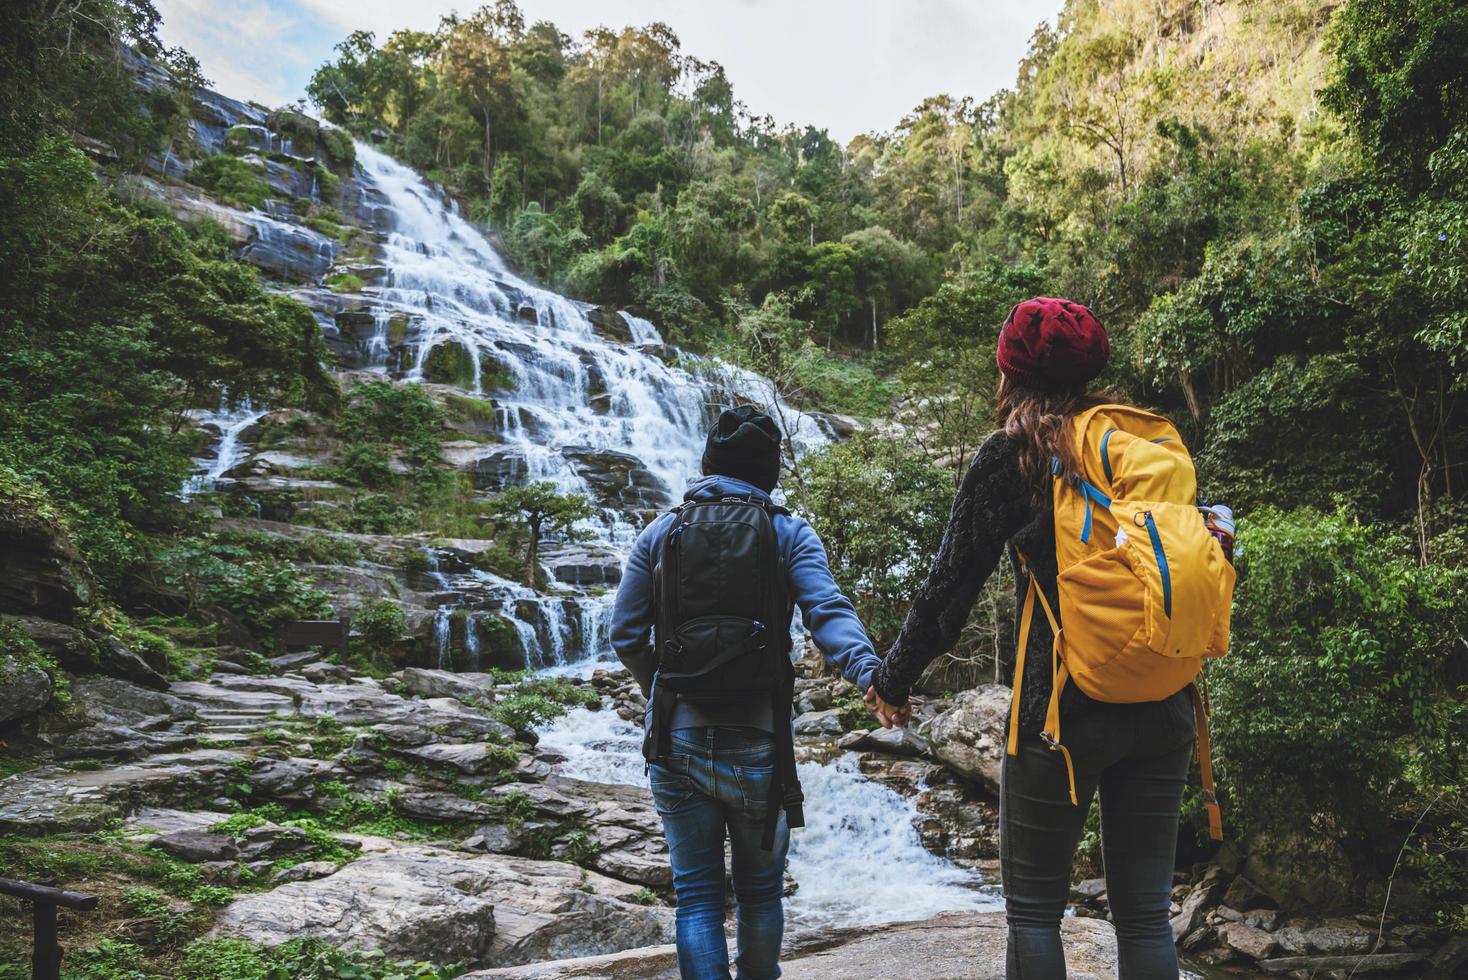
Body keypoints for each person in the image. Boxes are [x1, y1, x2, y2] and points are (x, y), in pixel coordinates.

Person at [867, 298, 1197, 979]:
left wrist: (892, 681)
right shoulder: (1144, 442)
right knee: (1143, 917)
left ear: (1009, 371)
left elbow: (946, 591)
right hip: (1165, 696)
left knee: (1036, 916)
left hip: (1061, 709)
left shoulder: (1016, 453)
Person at [611, 404, 887, 980]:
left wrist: (661, 692)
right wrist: (872, 676)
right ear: (770, 471)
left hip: (675, 738)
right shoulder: (787, 531)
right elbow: (827, 612)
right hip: (759, 741)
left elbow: (626, 635)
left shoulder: (661, 532)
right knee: (761, 895)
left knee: (698, 897)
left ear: (709, 462)